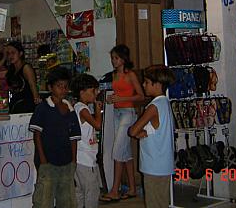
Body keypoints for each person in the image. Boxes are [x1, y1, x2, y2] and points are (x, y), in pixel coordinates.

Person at [29, 67, 81, 208]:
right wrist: (43, 160)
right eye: (59, 86)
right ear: (50, 87)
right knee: (43, 200)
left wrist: (73, 160)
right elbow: (37, 135)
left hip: (66, 161)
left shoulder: (70, 109)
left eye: (65, 87)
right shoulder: (43, 108)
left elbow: (74, 138)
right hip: (47, 162)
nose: (63, 90)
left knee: (67, 199)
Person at [100, 44, 144, 202]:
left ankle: (115, 190)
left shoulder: (130, 75)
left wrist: (122, 99)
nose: (113, 61)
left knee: (117, 151)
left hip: (127, 113)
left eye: (116, 58)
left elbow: (140, 96)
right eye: (112, 58)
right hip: (116, 112)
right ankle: (132, 188)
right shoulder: (113, 75)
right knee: (125, 153)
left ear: (123, 59)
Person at [128, 65, 176, 208]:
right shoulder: (165, 103)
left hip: (153, 166)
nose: (143, 85)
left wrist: (139, 132)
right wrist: (145, 132)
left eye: (147, 82)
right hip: (165, 165)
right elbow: (157, 128)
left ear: (157, 84)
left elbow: (132, 131)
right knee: (162, 202)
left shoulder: (153, 107)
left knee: (154, 203)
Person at [71, 74, 103, 208]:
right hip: (85, 158)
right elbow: (98, 125)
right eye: (93, 91)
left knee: (80, 191)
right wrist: (98, 110)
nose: (95, 94)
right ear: (82, 92)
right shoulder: (82, 109)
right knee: (91, 191)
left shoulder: (79, 107)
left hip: (81, 157)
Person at [0, 41, 40, 113]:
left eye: (13, 53)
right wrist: (4, 58)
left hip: (27, 105)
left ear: (20, 53)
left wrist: (37, 101)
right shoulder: (11, 70)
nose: (10, 56)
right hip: (15, 105)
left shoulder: (26, 68)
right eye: (8, 53)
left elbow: (32, 84)